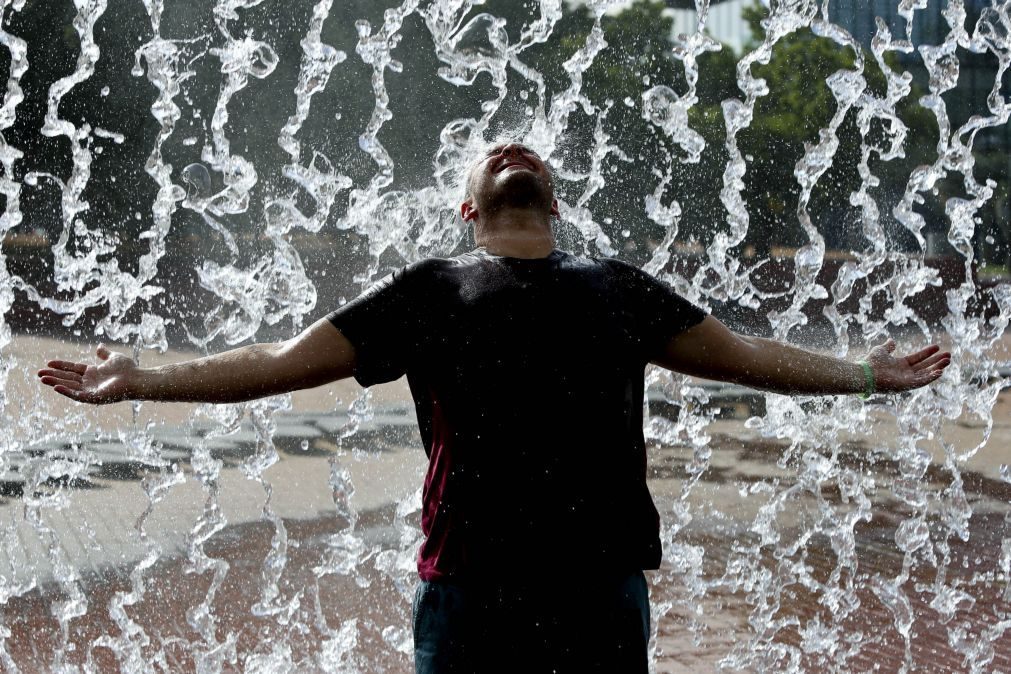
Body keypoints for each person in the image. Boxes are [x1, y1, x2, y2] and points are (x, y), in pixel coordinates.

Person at [38, 142, 950, 674]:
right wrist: (143, 376)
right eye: (493, 156)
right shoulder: (430, 289)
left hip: (597, 590)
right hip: (468, 589)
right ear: (467, 209)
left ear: (550, 200)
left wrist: (866, 376)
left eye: (529, 155)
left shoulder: (616, 288)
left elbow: (750, 360)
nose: (512, 150)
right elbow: (280, 364)